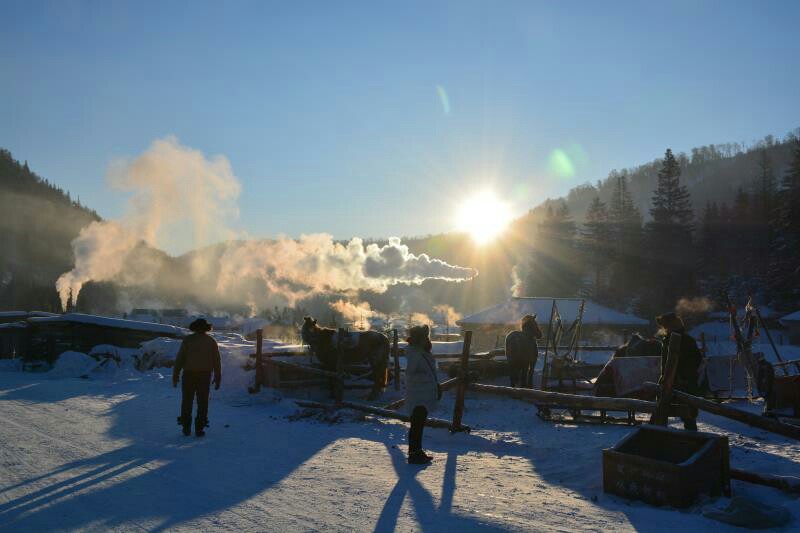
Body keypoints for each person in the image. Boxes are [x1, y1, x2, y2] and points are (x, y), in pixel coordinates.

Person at [173, 318, 222, 437]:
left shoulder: (188, 340)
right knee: (203, 402)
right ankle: (199, 428)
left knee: (187, 401)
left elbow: (180, 359)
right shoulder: (211, 341)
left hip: (189, 375)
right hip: (204, 376)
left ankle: (186, 427)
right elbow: (217, 361)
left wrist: (175, 375)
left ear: (194, 328)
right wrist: (217, 376)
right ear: (206, 328)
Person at [655, 312, 704, 431]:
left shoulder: (684, 340)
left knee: (687, 411)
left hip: (683, 381)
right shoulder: (670, 339)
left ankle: (691, 436)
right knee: (663, 408)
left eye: (666, 325)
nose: (664, 328)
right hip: (672, 380)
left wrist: (683, 376)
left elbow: (695, 361)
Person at [405, 325, 439, 465]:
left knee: (418, 425)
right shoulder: (416, 354)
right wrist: (427, 379)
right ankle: (414, 453)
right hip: (418, 395)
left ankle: (417, 451)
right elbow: (410, 375)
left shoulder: (420, 352)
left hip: (422, 394)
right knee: (416, 426)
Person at [505, 314, 543, 388]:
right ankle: (525, 387)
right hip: (526, 356)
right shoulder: (530, 339)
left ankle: (513, 386)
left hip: (512, 359)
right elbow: (539, 335)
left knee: (512, 367)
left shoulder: (511, 335)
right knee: (525, 367)